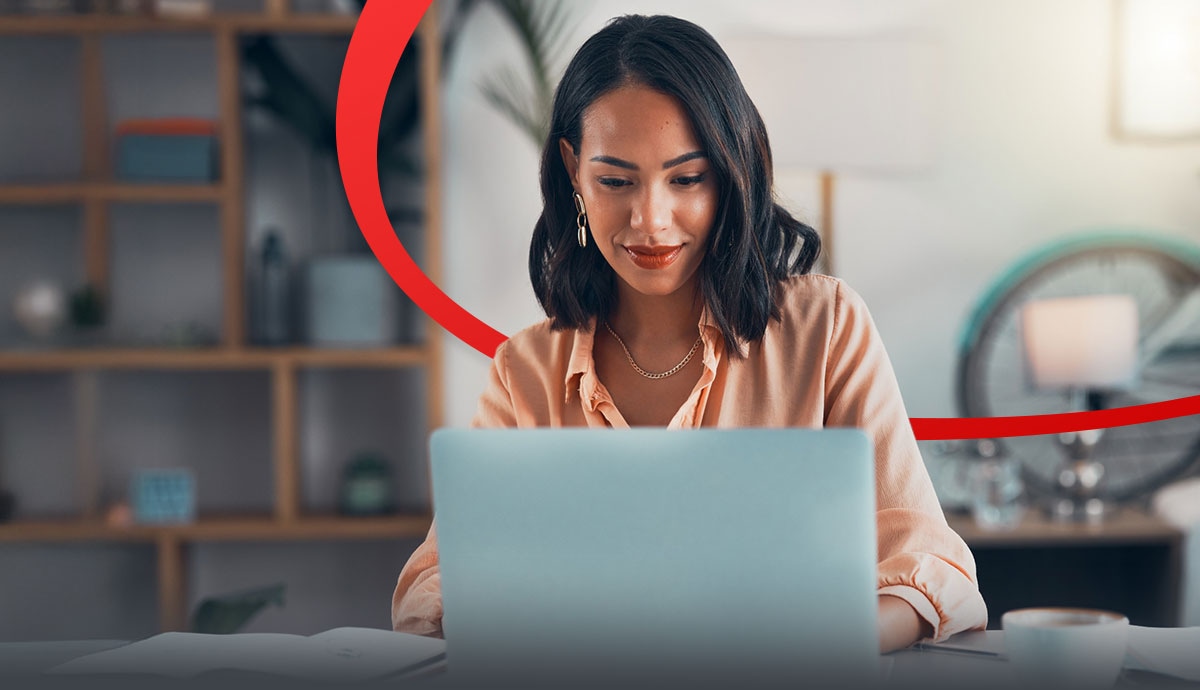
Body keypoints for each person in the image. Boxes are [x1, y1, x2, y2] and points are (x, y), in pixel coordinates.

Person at [393, 14, 987, 653]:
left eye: (687, 178)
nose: (650, 219)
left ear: (730, 174)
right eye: (616, 181)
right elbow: (436, 584)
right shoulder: (527, 371)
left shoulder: (826, 328)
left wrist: (823, 644)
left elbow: (933, 568)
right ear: (573, 171)